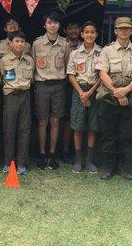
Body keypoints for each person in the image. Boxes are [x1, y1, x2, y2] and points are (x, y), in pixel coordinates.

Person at [95, 17, 132, 181]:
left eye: (127, 28)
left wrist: (126, 91)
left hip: (129, 97)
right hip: (109, 97)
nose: (124, 31)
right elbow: (102, 73)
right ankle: (109, 167)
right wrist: (117, 92)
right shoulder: (106, 50)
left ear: (131, 31)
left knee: (125, 133)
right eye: (120, 28)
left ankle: (122, 166)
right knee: (109, 133)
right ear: (115, 31)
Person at [31, 11, 70, 170]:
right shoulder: (37, 44)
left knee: (55, 121)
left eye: (55, 22)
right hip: (42, 86)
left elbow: (68, 66)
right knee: (42, 120)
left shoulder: (65, 44)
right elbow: (32, 65)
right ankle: (41, 153)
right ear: (44, 25)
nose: (52, 25)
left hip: (59, 85)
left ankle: (52, 153)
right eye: (49, 22)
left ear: (59, 25)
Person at [66, 21, 102, 174]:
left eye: (92, 32)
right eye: (86, 32)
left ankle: (90, 160)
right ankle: (78, 160)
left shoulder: (102, 53)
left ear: (96, 34)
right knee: (78, 127)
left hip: (95, 91)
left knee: (93, 127)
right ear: (82, 34)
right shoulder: (75, 53)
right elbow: (71, 74)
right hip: (79, 92)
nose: (89, 35)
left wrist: (90, 93)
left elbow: (102, 75)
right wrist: (82, 93)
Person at [0, 31, 34, 175]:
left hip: (25, 95)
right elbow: (1, 79)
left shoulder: (29, 60)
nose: (20, 44)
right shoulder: (4, 60)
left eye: (22, 41)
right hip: (10, 96)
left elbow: (31, 79)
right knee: (9, 129)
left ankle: (21, 162)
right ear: (10, 43)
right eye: (17, 41)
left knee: (24, 130)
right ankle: (8, 162)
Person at [61, 20, 83, 164]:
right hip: (63, 85)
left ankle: (73, 148)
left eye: (76, 27)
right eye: (70, 28)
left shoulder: (85, 44)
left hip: (80, 87)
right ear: (65, 30)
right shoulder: (61, 44)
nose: (73, 31)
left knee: (75, 118)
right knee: (62, 118)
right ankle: (62, 148)